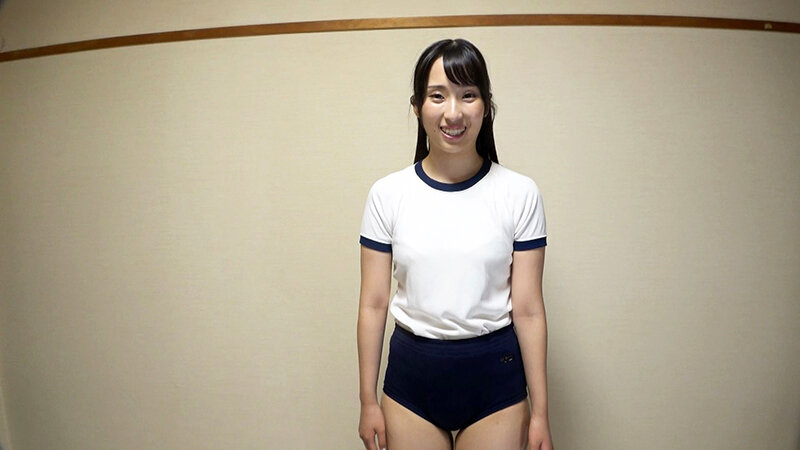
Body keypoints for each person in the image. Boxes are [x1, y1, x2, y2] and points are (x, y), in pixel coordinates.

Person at [357, 38, 553, 450]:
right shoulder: (387, 194)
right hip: (411, 383)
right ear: (417, 107)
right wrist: (366, 401)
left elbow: (529, 310)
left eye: (468, 95)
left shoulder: (519, 193)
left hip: (495, 384)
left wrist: (540, 413)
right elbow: (373, 304)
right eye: (437, 96)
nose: (453, 112)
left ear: (486, 105)